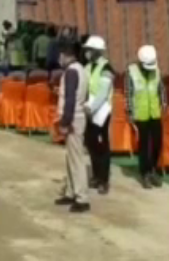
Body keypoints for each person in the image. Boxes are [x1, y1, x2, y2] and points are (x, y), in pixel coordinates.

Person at [54, 36, 91, 213]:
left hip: (73, 119)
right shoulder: (80, 70)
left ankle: (81, 197)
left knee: (76, 159)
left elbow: (70, 99)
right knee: (71, 157)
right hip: (77, 116)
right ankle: (70, 191)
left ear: (65, 55)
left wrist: (65, 122)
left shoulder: (71, 72)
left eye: (60, 55)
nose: (58, 58)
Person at [125, 45, 168, 189]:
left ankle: (153, 169)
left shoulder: (156, 71)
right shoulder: (131, 72)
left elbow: (161, 88)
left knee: (157, 143)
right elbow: (129, 94)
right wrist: (130, 113)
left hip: (154, 112)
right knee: (144, 146)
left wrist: (164, 104)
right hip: (140, 114)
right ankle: (145, 173)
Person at [83, 35, 114, 194]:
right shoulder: (88, 66)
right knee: (91, 143)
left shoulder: (106, 68)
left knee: (102, 146)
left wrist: (92, 108)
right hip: (90, 111)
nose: (86, 52)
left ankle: (103, 180)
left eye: (89, 50)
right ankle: (95, 175)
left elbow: (103, 93)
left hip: (101, 112)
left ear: (96, 51)